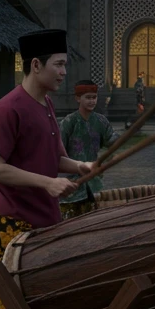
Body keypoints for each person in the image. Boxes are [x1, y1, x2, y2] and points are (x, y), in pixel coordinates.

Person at [0, 29, 93, 309]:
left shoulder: (46, 104)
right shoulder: (8, 108)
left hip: (47, 223)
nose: (65, 72)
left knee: (50, 301)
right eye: (59, 64)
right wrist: (47, 183)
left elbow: (55, 158)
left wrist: (79, 165)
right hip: (14, 224)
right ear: (36, 65)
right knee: (12, 308)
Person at [58, 81, 114, 218]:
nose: (92, 101)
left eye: (94, 97)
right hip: (71, 186)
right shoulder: (68, 122)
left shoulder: (101, 121)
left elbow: (112, 142)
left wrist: (103, 163)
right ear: (78, 98)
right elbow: (58, 153)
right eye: (88, 97)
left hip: (94, 184)